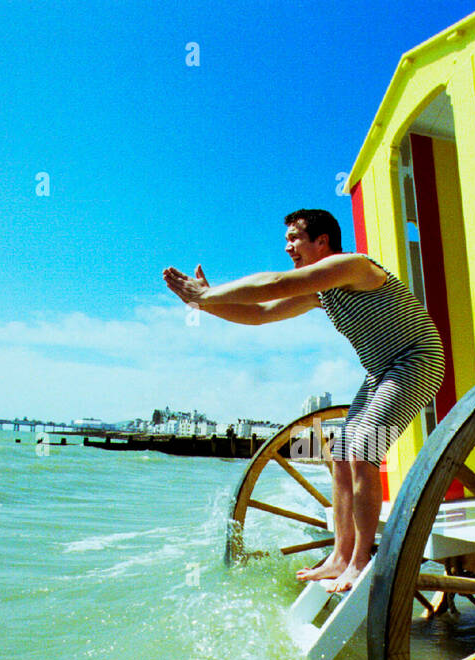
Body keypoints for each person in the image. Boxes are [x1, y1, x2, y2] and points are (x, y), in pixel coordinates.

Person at [163, 208, 444, 592]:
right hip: (381, 371)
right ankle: (341, 556)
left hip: (415, 360)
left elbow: (276, 283)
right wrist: (202, 303)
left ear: (322, 241)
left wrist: (209, 293)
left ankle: (361, 561)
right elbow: (261, 313)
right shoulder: (321, 293)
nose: (288, 246)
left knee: (362, 451)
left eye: (295, 237)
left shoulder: (353, 266)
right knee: (341, 452)